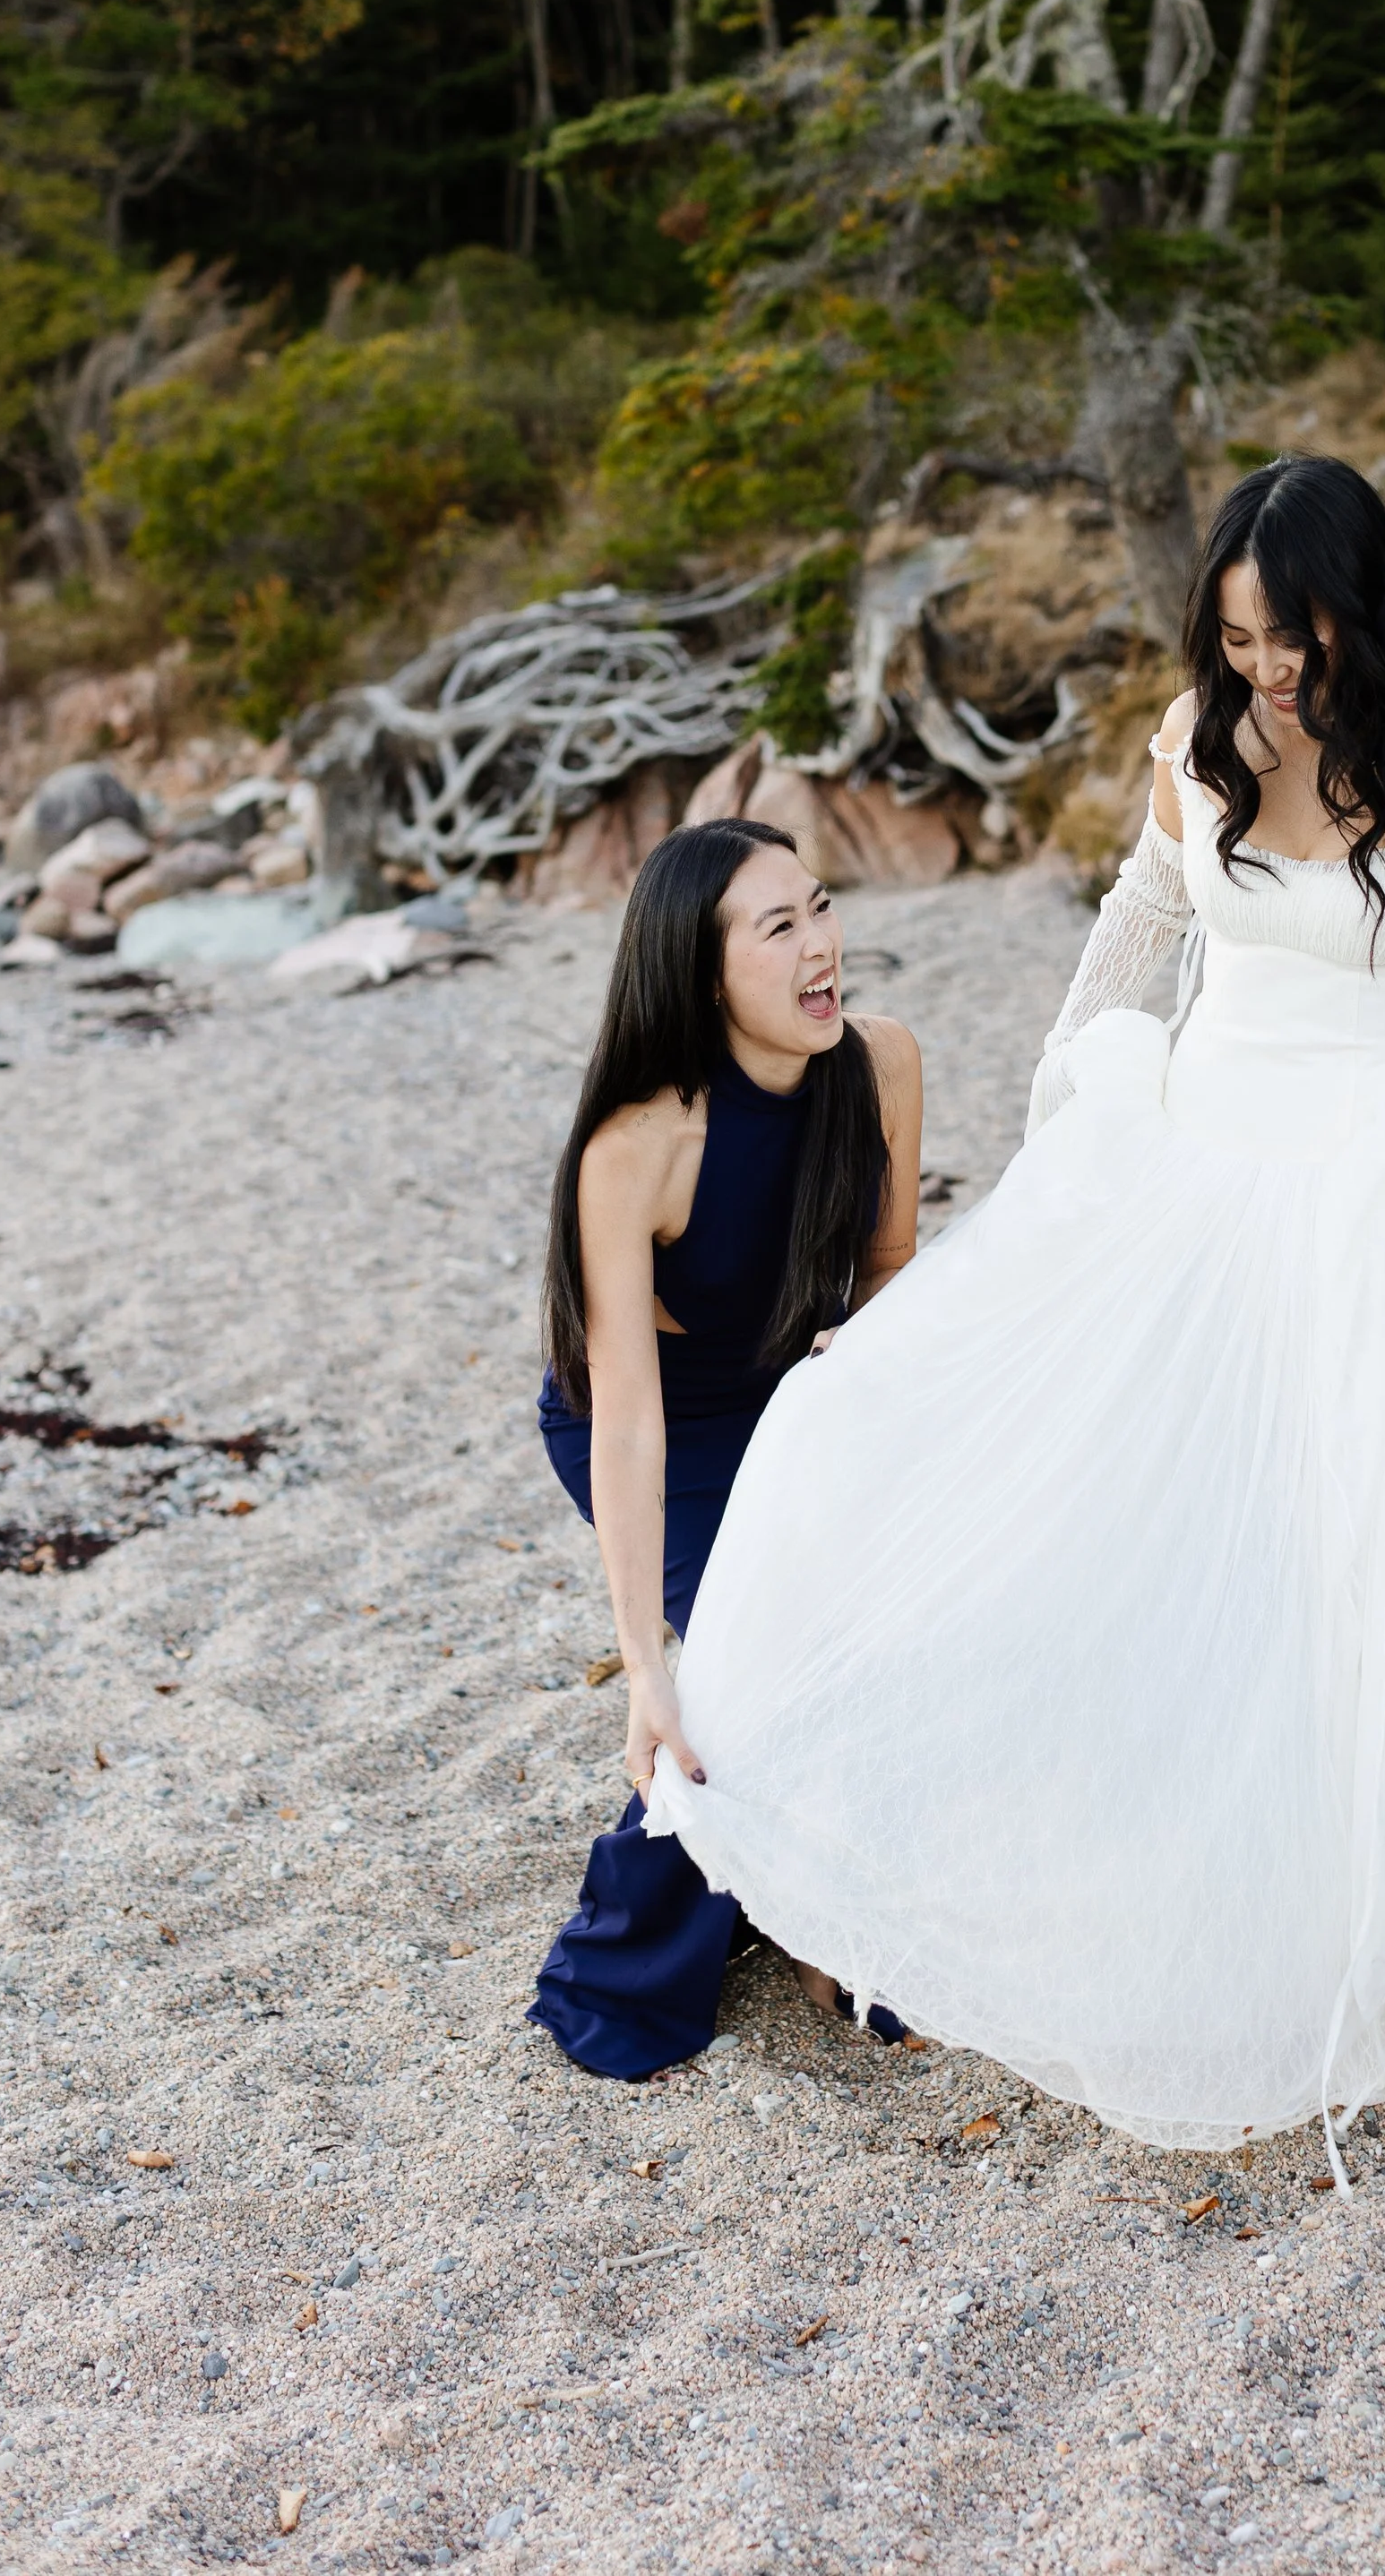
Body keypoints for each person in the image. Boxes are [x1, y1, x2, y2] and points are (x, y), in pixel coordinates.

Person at [644, 458, 1385, 2159]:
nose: (1264, 669)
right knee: (1176, 1525)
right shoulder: (1199, 747)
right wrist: (1074, 1106)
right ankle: (1225, 1883)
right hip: (1207, 1171)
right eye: (1239, 636)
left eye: (1294, 635)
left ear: (1364, 608)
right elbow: (1133, 938)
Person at [527, 816, 922, 2077]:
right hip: (667, 1424)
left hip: (798, 1399)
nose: (822, 946)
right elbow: (627, 1417)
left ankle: (824, 1907)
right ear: (705, 975)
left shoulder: (887, 1063)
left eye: (821, 906)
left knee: (895, 1633)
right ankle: (640, 1960)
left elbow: (889, 1276)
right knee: (747, 1679)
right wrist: (647, 1666)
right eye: (779, 926)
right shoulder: (640, 1145)